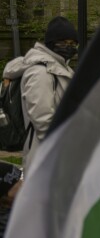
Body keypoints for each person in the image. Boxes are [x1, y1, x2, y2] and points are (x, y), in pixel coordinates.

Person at [1, 16, 78, 163]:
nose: (69, 47)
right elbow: (43, 120)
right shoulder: (40, 72)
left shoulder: (60, 68)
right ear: (52, 43)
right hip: (47, 157)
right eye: (64, 42)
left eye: (73, 43)